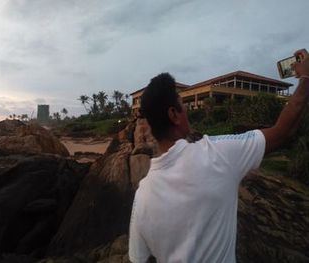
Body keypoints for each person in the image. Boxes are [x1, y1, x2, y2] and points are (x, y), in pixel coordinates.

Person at [129, 49, 309, 262]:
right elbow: (283, 132)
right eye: (183, 106)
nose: (187, 111)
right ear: (174, 115)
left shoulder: (142, 197)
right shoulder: (217, 154)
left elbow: (137, 258)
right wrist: (305, 78)